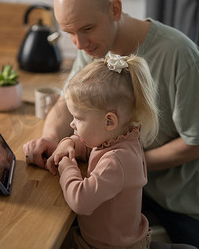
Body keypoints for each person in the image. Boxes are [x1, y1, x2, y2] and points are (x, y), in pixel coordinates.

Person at [23, 0, 199, 248]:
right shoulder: (93, 48)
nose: (79, 44)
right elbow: (69, 103)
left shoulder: (180, 55)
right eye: (70, 33)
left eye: (87, 29)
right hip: (125, 186)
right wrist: (51, 139)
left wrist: (124, 164)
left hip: (179, 203)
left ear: (115, 10)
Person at [56, 53, 158, 249]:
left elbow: (81, 201)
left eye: (78, 118)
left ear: (109, 121)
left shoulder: (117, 160)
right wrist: (71, 143)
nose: (72, 123)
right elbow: (93, 148)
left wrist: (66, 167)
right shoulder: (122, 137)